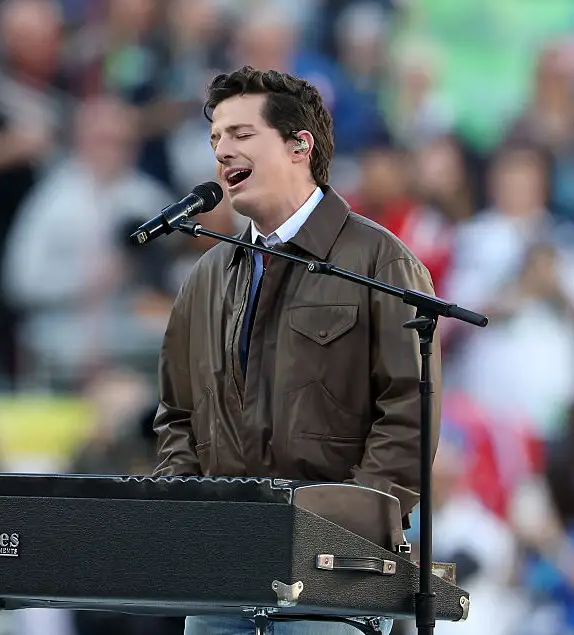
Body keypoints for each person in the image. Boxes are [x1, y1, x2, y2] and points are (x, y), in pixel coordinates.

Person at [152, 66, 442, 635]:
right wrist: (188, 515)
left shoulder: (381, 262)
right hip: (218, 573)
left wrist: (343, 529)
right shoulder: (206, 276)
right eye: (215, 139)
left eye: (240, 135)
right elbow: (177, 414)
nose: (221, 151)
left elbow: (409, 411)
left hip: (331, 579)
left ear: (298, 146)